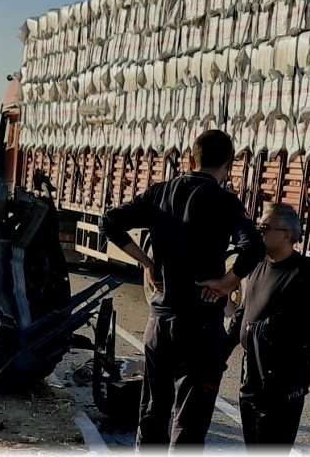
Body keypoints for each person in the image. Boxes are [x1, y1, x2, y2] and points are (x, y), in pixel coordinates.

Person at [99, 129, 265, 449]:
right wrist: (227, 282)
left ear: (191, 159)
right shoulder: (223, 200)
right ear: (229, 164)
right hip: (200, 324)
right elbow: (254, 246)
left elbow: (111, 222)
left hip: (160, 321)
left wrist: (147, 263)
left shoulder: (160, 192)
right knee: (189, 419)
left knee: (152, 411)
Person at [224, 202, 310, 450]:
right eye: (259, 226)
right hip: (252, 379)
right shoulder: (258, 266)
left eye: (266, 227)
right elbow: (243, 313)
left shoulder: (304, 275)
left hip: (282, 382)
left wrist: (263, 328)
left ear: (288, 235)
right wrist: (219, 351)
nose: (260, 232)